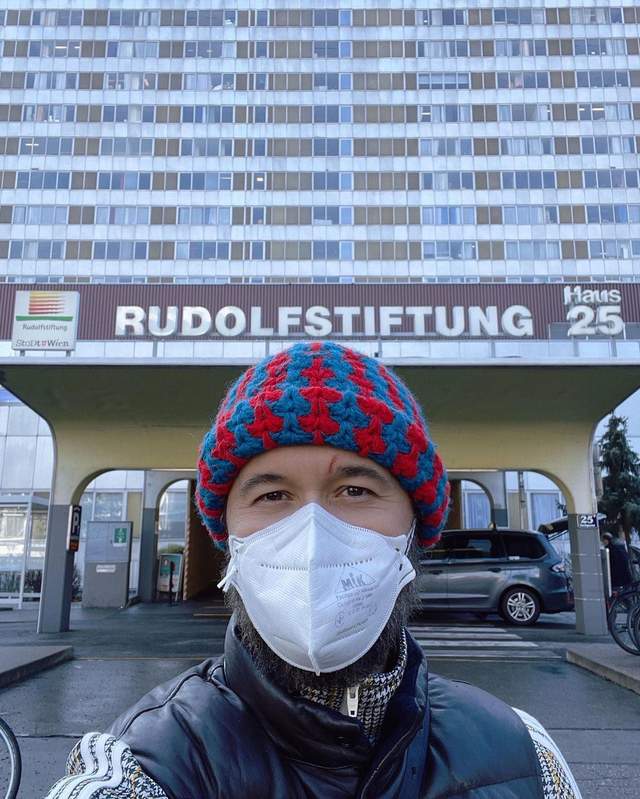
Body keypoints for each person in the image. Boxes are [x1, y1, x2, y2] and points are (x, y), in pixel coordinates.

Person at [46, 342, 582, 798]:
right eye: (272, 495)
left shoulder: (526, 758)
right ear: (230, 539)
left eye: (355, 490)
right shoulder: (146, 765)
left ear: (413, 530)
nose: (312, 539)